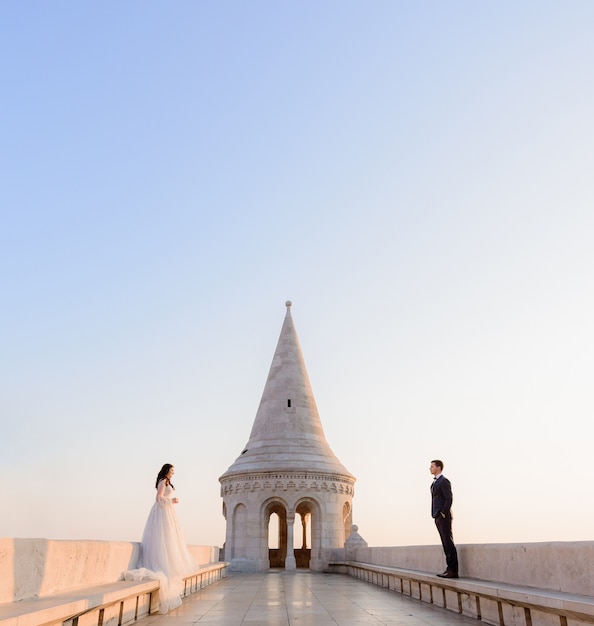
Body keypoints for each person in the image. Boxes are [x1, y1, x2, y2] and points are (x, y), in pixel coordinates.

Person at [125, 463, 197, 613]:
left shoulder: (168, 482)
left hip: (167, 512)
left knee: (169, 538)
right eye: (171, 471)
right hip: (162, 512)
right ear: (166, 471)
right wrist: (173, 501)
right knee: (163, 537)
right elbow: (158, 498)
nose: (173, 473)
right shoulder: (163, 482)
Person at [429, 459, 459, 578]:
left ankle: (453, 570)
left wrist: (443, 512)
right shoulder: (434, 483)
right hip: (437, 516)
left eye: (432, 466)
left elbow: (449, 498)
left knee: (448, 542)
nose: (430, 468)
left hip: (443, 516)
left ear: (439, 467)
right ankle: (449, 568)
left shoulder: (444, 481)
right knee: (444, 543)